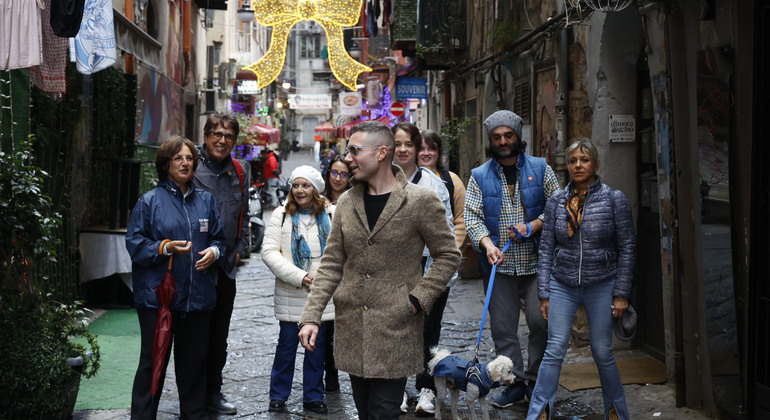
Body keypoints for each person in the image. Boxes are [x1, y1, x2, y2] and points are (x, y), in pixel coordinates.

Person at [298, 121, 461, 420]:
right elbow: (332, 263)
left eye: (355, 151)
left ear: (382, 153)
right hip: (353, 328)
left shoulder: (420, 200)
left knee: (384, 411)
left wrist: (418, 297)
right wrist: (311, 317)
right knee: (365, 413)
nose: (348, 158)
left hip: (396, 327)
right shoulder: (347, 202)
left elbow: (449, 255)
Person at [526, 140, 635, 420]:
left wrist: (621, 294)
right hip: (562, 283)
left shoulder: (614, 199)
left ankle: (616, 411)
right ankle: (540, 412)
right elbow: (547, 247)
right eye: (573, 160)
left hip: (602, 283)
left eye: (584, 160)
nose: (577, 165)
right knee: (555, 349)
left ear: (595, 165)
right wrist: (545, 292)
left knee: (602, 351)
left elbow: (627, 247)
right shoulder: (556, 202)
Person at [125, 136, 225, 420]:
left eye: (190, 158)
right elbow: (135, 245)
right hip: (159, 299)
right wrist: (164, 247)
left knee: (194, 364)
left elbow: (219, 239)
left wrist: (215, 253)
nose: (185, 162)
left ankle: (193, 415)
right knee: (152, 363)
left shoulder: (206, 200)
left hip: (198, 297)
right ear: (165, 164)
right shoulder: (149, 202)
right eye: (178, 158)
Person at [464, 110, 559, 408]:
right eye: (497, 137)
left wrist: (533, 226)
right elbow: (471, 216)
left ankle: (535, 380)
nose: (503, 141)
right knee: (503, 329)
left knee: (539, 322)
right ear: (490, 141)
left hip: (537, 263)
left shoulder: (541, 169)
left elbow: (557, 206)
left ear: (518, 137)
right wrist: (487, 244)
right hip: (498, 266)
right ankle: (515, 383)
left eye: (508, 136)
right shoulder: (479, 175)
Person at [391, 122, 455, 416]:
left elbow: (448, 235)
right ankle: (397, 389)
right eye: (397, 143)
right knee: (397, 332)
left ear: (417, 148)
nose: (403, 149)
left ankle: (427, 388)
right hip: (395, 273)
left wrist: (443, 280)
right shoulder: (381, 181)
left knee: (429, 332)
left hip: (430, 272)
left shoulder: (433, 184)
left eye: (408, 144)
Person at [261, 165, 335, 415]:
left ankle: (314, 395)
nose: (300, 190)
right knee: (286, 347)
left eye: (306, 185)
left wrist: (322, 279)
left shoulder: (332, 214)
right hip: (291, 292)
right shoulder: (281, 215)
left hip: (322, 292)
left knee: (317, 349)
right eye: (296, 185)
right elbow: (269, 252)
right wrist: (300, 276)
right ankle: (278, 394)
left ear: (316, 189)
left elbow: (340, 252)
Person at [192, 113, 249, 415]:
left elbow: (245, 212)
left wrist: (241, 247)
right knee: (194, 332)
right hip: (195, 266)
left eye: (228, 136)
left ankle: (213, 390)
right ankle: (193, 392)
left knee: (220, 334)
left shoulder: (239, 170)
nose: (222, 140)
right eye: (216, 134)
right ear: (205, 135)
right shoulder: (191, 165)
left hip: (226, 266)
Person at [320, 155, 353, 392]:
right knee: (324, 325)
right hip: (324, 268)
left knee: (343, 327)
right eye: (334, 172)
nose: (338, 178)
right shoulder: (317, 200)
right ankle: (328, 375)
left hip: (349, 270)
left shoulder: (355, 200)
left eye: (343, 174)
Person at [419, 130, 467, 252]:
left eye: (431, 149)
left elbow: (462, 219)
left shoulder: (452, 180)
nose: (426, 153)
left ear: (439, 152)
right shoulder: (404, 180)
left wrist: (450, 251)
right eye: (421, 149)